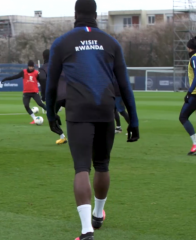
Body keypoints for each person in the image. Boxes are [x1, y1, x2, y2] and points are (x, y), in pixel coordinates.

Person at [45, 1, 140, 239]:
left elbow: (52, 84)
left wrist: (51, 114)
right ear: (96, 15)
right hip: (105, 110)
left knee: (81, 168)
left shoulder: (61, 42)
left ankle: (87, 230)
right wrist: (134, 120)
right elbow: (125, 86)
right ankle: (98, 214)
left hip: (78, 112)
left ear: (75, 14)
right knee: (102, 165)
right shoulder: (111, 42)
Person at [1, 60, 47, 124]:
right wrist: (6, 79)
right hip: (26, 93)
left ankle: (50, 112)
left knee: (40, 104)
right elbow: (15, 76)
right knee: (26, 105)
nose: (31, 68)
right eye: (30, 66)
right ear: (28, 66)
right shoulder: (24, 72)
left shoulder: (36, 73)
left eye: (32, 66)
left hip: (34, 92)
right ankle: (34, 118)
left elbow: (42, 81)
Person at [39, 49, 67, 144]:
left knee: (51, 121)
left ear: (43, 57)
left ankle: (62, 136)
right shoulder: (61, 65)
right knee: (76, 116)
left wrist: (43, 95)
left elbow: (43, 79)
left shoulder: (43, 68)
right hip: (69, 94)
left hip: (56, 97)